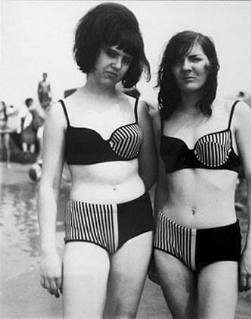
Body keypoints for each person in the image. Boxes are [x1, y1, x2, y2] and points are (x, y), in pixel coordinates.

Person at [38, 3, 156, 318]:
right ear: (91, 48)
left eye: (126, 59)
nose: (117, 65)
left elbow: (150, 172)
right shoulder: (61, 111)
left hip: (136, 222)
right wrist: (49, 251)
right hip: (85, 222)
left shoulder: (138, 109)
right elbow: (48, 185)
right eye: (111, 53)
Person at [152, 31, 251, 318]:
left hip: (220, 238)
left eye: (195, 58)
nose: (187, 67)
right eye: (178, 61)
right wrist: (153, 244)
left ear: (211, 64)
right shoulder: (161, 119)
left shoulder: (235, 113)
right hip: (169, 240)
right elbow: (163, 187)